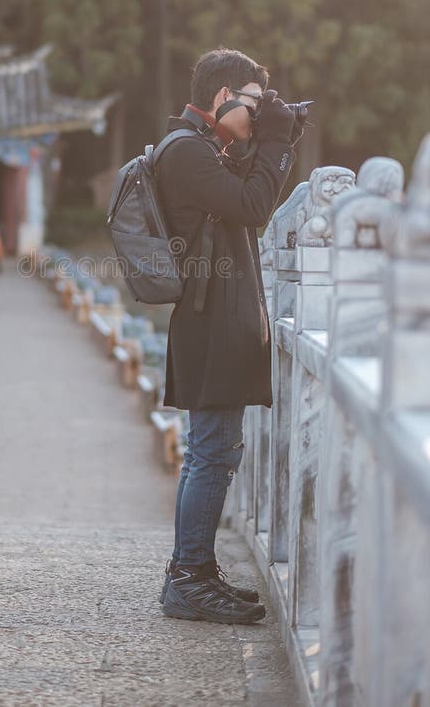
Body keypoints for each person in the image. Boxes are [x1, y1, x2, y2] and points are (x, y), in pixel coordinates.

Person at [155, 47, 303, 625]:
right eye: (252, 104)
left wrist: (276, 140)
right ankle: (187, 579)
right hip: (210, 322)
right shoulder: (188, 152)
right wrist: (273, 144)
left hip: (211, 319)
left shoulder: (199, 148)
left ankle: (193, 571)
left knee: (211, 453)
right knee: (212, 453)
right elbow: (254, 204)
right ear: (221, 98)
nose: (256, 116)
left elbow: (245, 198)